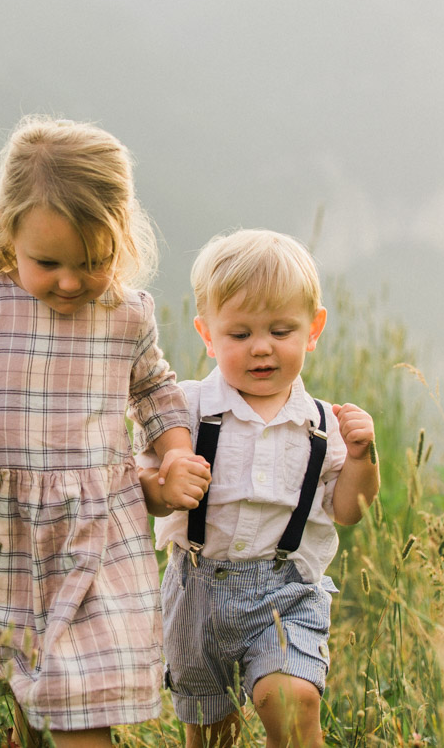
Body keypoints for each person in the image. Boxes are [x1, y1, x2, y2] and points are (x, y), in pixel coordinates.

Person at [0, 116, 210, 748]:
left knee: (80, 704)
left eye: (92, 262)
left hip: (99, 536)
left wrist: (173, 457)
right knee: (27, 698)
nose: (70, 281)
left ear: (121, 240)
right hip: (3, 539)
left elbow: (157, 394)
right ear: (9, 234)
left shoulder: (125, 315)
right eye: (48, 262)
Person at [137, 228, 380, 748]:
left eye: (281, 330)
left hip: (285, 589)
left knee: (290, 699)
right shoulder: (186, 407)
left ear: (313, 329)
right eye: (240, 334)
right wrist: (164, 482)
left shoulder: (323, 424)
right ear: (208, 334)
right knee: (210, 733)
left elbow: (347, 510)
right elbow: (141, 489)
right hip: (196, 589)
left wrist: (363, 458)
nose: (262, 348)